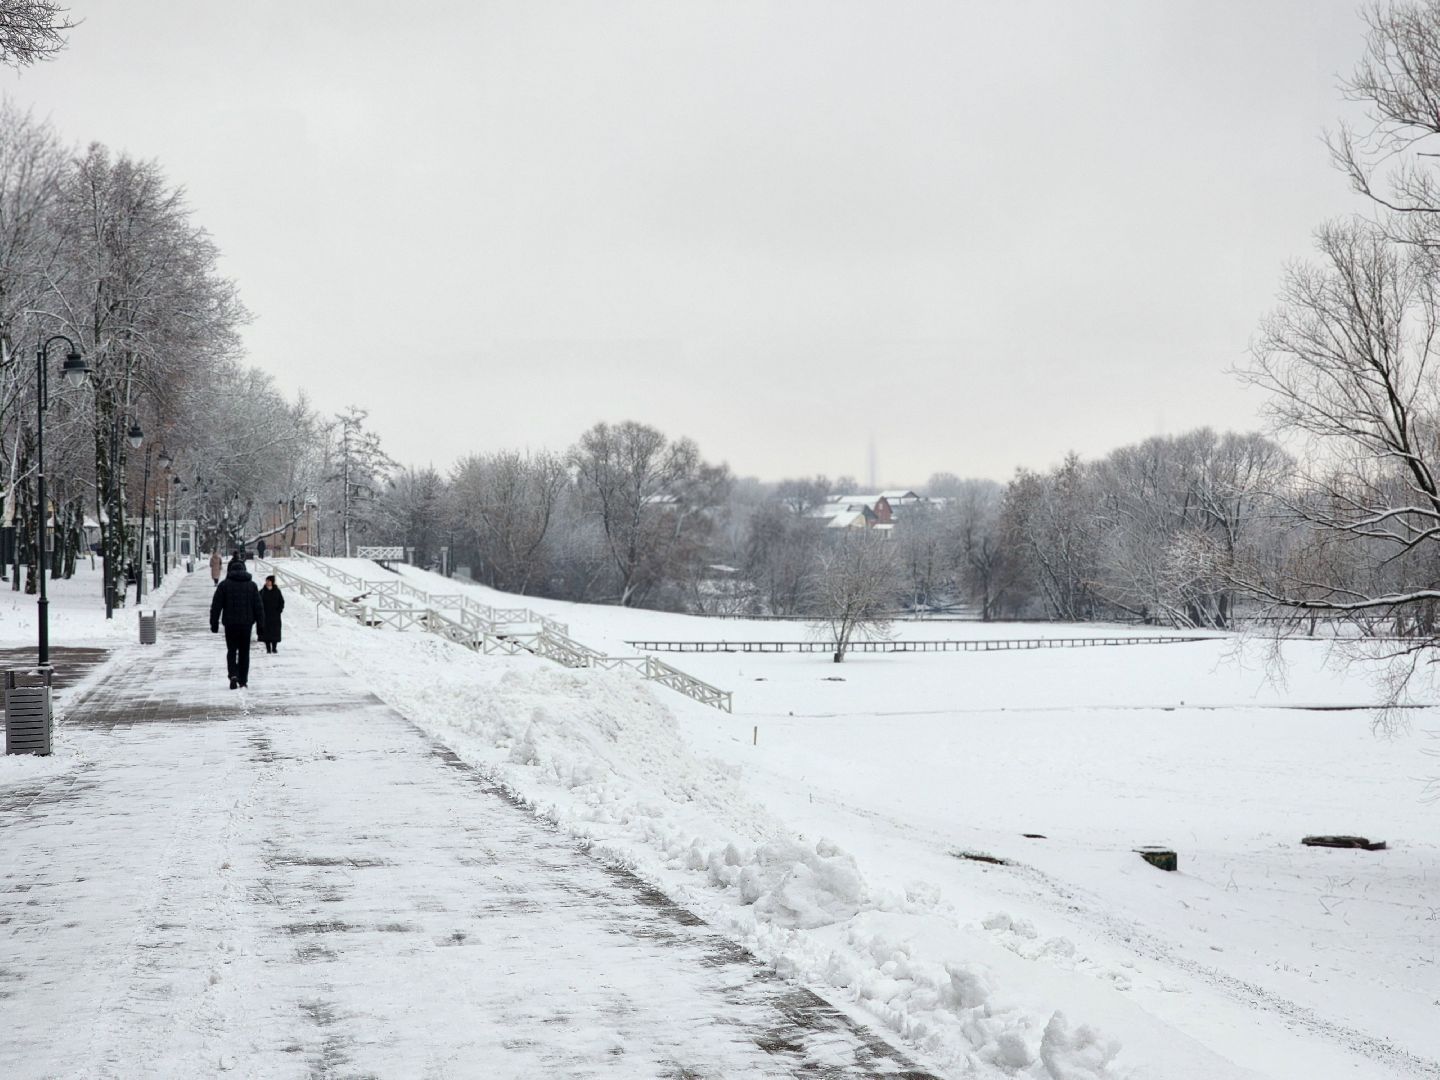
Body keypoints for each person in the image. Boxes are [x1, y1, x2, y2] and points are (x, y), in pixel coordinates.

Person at [210, 558, 265, 689]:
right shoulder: (252, 586)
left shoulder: (224, 585)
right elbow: (259, 607)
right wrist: (260, 626)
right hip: (246, 624)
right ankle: (243, 679)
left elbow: (216, 606)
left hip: (230, 624)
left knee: (231, 650)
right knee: (244, 652)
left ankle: (233, 674)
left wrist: (214, 623)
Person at [259, 575, 285, 654]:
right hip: (265, 615)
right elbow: (258, 602)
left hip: (275, 615)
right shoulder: (262, 591)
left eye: (269, 581)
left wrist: (279, 610)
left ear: (272, 582)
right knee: (266, 632)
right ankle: (268, 648)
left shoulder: (277, 591)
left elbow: (281, 601)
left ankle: (274, 647)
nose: (267, 582)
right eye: (266, 581)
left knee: (275, 632)